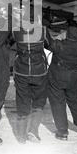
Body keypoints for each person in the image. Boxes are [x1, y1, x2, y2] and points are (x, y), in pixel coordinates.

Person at [46, 20, 77, 141]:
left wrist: (43, 26)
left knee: (58, 103)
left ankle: (62, 131)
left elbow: (47, 41)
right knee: (75, 101)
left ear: (68, 34)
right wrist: (74, 23)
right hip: (72, 77)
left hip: (57, 76)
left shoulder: (59, 45)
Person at [12, 10, 48, 143]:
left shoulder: (16, 30)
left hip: (22, 72)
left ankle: (21, 137)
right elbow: (50, 45)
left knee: (22, 104)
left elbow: (10, 42)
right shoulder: (42, 31)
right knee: (38, 103)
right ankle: (33, 131)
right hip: (39, 72)